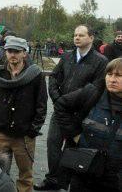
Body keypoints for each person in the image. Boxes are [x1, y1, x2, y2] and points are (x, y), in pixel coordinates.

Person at [35, 25, 108, 191]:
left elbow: (94, 90)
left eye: (81, 35)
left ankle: (65, 181)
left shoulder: (100, 61)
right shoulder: (67, 56)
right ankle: (53, 179)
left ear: (91, 37)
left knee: (72, 148)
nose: (77, 38)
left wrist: (65, 101)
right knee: (52, 145)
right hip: (60, 111)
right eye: (75, 35)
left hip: (81, 113)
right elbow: (54, 78)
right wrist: (57, 99)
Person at [0, 37, 47, 192]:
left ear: (24, 54)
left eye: (17, 51)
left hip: (24, 135)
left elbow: (41, 104)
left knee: (25, 175)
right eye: (9, 51)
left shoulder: (35, 74)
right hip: (1, 132)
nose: (12, 54)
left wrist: (33, 130)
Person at [67, 58, 122, 192]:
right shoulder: (93, 94)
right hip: (85, 170)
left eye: (119, 75)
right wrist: (75, 134)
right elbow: (61, 107)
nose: (112, 79)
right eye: (109, 74)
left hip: (115, 177)